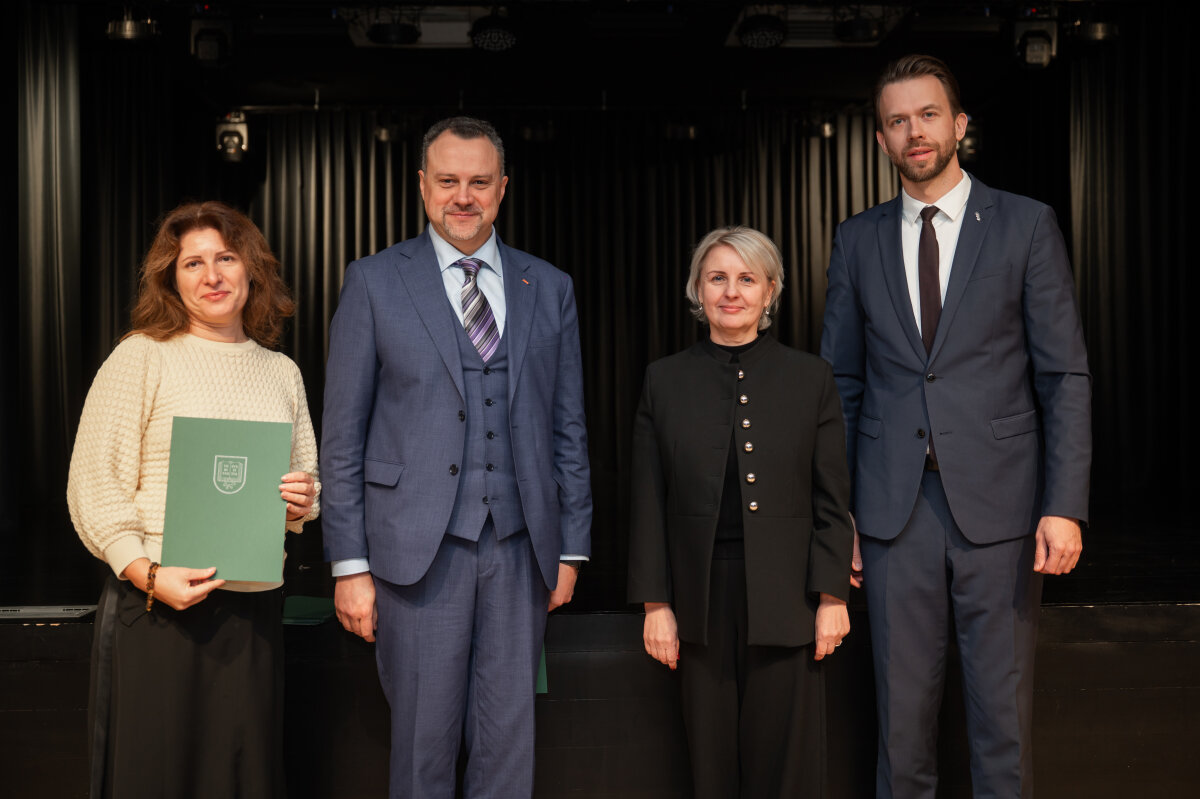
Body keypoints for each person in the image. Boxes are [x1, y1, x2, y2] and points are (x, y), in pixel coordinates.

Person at [820, 54, 1092, 798]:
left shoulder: (1026, 225)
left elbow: (1063, 375)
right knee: (901, 730)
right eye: (898, 120)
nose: (915, 131)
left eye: (928, 114)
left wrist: (1064, 504)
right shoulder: (856, 239)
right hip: (891, 512)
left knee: (1002, 726)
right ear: (881, 139)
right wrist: (840, 512)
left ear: (959, 124)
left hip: (1003, 509)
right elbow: (840, 385)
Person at [321, 116, 592, 799]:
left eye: (478, 182)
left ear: (502, 188)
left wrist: (571, 547)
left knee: (508, 749)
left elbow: (568, 428)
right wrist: (349, 564)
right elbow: (342, 436)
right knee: (423, 750)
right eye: (447, 181)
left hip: (521, 549)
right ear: (422, 185)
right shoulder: (374, 281)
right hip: (414, 553)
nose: (463, 197)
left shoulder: (548, 286)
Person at [67, 200, 320, 799]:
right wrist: (148, 574)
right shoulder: (141, 355)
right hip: (157, 607)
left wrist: (300, 501)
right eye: (192, 263)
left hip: (252, 614)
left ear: (251, 269)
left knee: (242, 780)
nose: (212, 276)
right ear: (170, 278)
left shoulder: (281, 372)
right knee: (155, 779)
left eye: (226, 258)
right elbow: (94, 483)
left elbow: (305, 485)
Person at [627, 226, 854, 798]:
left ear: (770, 290)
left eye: (747, 279)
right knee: (709, 772)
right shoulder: (664, 379)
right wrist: (656, 603)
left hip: (789, 600)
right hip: (697, 606)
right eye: (717, 278)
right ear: (697, 290)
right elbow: (648, 501)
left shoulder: (812, 378)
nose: (732, 292)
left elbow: (832, 499)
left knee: (787, 773)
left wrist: (833, 597)